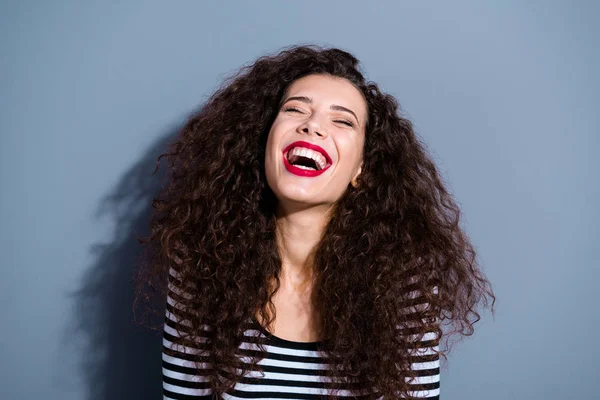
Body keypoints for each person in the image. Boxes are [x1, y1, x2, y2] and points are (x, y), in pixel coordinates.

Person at [136, 44, 495, 399]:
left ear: (361, 169)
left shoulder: (404, 281)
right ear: (262, 142)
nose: (312, 126)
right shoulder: (201, 264)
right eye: (295, 110)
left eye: (342, 120)